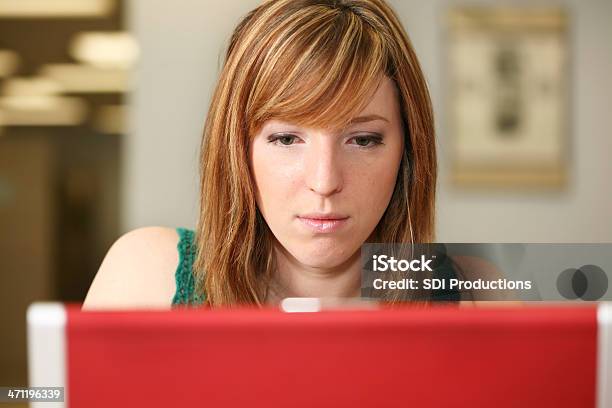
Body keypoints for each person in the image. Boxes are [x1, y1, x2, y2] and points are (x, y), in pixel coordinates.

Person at [83, 0, 461, 310]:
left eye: (362, 140)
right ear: (237, 150)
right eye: (285, 139)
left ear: (408, 151)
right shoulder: (147, 275)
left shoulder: (479, 294)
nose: (324, 182)